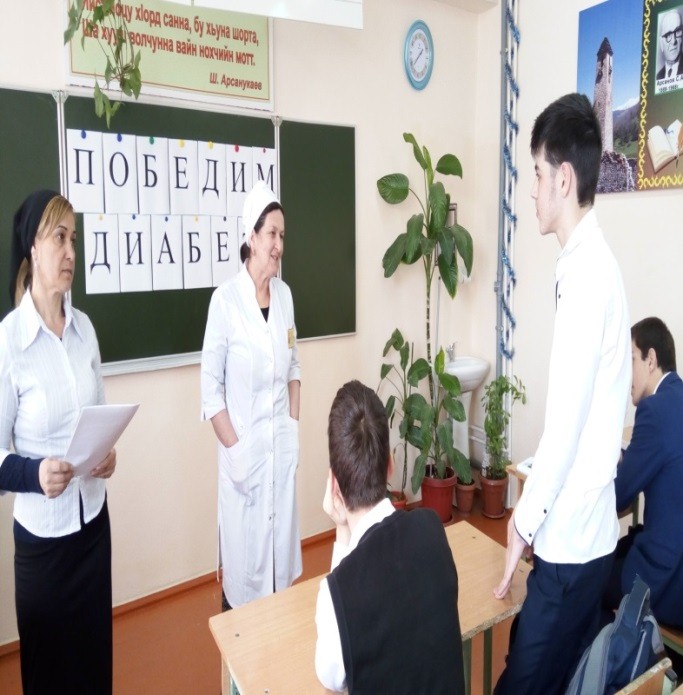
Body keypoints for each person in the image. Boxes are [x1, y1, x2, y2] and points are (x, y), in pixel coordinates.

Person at [492, 93, 631, 695]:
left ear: (565, 179)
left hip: (571, 545)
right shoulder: (590, 264)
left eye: (538, 174)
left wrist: (522, 525)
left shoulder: (587, 276)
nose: (531, 190)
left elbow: (566, 427)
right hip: (585, 537)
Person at [0, 190, 117, 694]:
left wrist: (107, 454)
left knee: (94, 670)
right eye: (60, 238)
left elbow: (100, 413)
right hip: (43, 546)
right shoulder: (9, 342)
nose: (71, 252)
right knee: (49, 677)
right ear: (33, 246)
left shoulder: (85, 329)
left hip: (93, 529)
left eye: (75, 240)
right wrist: (34, 474)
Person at [315, 380, 465, 694]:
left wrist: (341, 532)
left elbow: (331, 677)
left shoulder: (337, 591)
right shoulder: (432, 528)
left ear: (334, 486)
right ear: (390, 466)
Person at [201, 180, 302, 610]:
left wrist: (292, 426)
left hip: (280, 453)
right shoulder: (225, 302)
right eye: (272, 234)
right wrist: (237, 451)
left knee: (280, 575)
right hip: (243, 462)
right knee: (244, 584)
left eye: (282, 235)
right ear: (252, 237)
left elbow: (294, 367)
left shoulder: (285, 297)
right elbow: (210, 393)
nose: (279, 245)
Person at [603, 317, 683, 629]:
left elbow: (620, 494)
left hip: (668, 581)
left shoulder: (654, 410)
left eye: (632, 360)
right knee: (624, 545)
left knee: (589, 581)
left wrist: (617, 464)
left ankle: (607, 655)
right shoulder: (676, 399)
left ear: (651, 359)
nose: (627, 374)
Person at [656, 8, 683, 80]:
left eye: (677, 31)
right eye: (668, 35)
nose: (673, 41)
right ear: (661, 43)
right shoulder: (658, 77)